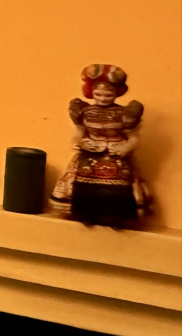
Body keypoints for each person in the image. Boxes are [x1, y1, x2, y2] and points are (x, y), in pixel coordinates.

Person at [52, 64, 150, 225]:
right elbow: (78, 134)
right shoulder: (84, 111)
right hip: (89, 154)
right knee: (82, 182)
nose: (103, 98)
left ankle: (115, 215)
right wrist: (79, 144)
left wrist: (125, 148)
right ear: (91, 92)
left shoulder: (124, 114)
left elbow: (133, 137)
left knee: (119, 186)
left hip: (116, 155)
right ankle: (86, 213)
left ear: (117, 93)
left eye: (108, 95)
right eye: (98, 94)